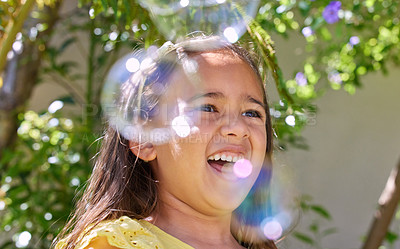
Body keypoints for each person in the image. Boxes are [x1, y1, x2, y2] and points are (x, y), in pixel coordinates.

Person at [54, 36, 278, 249]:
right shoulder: (115, 244)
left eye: (252, 113)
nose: (237, 128)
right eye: (208, 107)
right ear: (147, 140)